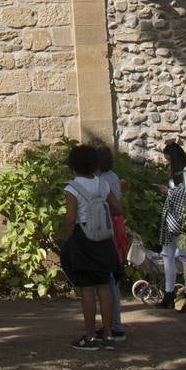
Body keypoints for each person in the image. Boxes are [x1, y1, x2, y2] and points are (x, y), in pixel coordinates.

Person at [60, 144, 121, 350]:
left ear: (73, 165)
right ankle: (109, 335)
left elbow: (70, 217)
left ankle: (89, 336)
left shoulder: (72, 187)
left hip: (82, 237)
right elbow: (117, 208)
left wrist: (67, 239)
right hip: (103, 239)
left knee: (87, 289)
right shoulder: (102, 184)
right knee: (104, 287)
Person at [159, 141, 186, 310]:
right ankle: (169, 292)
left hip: (183, 218)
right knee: (167, 255)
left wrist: (169, 192)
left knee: (185, 255)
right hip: (171, 217)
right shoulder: (176, 173)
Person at [96, 145, 126, 338]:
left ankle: (114, 326)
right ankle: (113, 323)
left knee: (108, 280)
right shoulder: (113, 177)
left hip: (107, 227)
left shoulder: (101, 181)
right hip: (116, 226)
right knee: (111, 278)